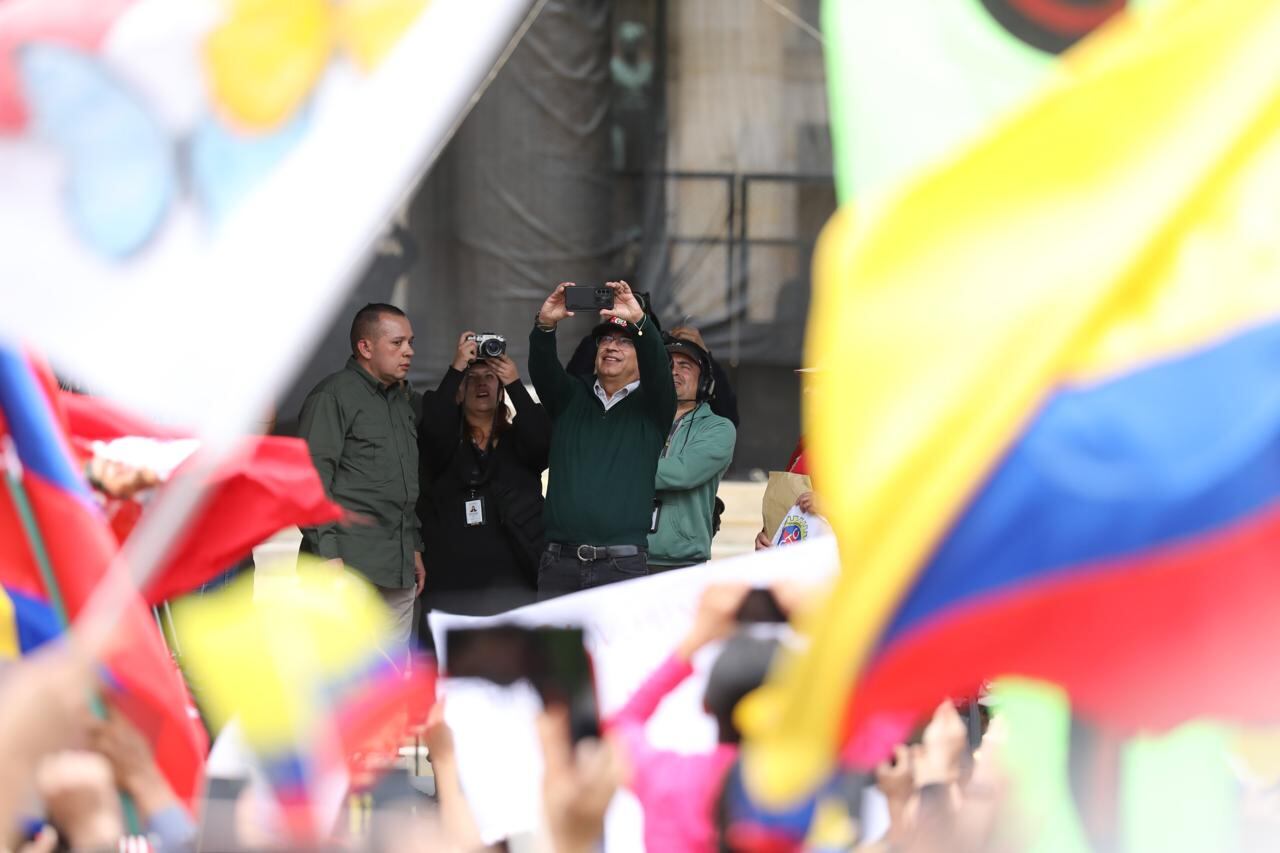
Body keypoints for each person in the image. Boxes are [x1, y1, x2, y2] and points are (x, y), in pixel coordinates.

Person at [528, 280, 676, 598]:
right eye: (606, 339)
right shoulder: (571, 397)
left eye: (624, 342)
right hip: (559, 564)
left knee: (616, 651)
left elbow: (659, 368)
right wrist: (545, 326)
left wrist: (641, 324)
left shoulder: (653, 406)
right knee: (556, 651)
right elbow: (541, 370)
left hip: (621, 567)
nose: (611, 346)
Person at [605, 583, 778, 853]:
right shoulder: (806, 788)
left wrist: (694, 640)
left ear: (706, 705)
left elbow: (618, 726)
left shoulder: (669, 779)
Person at [297, 302, 424, 647]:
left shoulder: (401, 400)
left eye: (410, 342)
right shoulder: (333, 395)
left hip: (396, 566)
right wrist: (327, 557)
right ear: (365, 347)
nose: (409, 352)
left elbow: (402, 485)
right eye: (397, 343)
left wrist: (413, 547)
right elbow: (310, 482)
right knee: (340, 684)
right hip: (346, 566)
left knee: (392, 683)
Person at [418, 331, 551, 616]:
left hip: (512, 573)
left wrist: (515, 382)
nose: (481, 383)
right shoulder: (444, 438)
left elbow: (542, 443)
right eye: (471, 378)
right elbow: (432, 429)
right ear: (459, 390)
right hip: (451, 575)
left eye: (489, 377)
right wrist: (455, 368)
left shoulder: (518, 439)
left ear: (499, 387)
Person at [648, 335, 736, 570]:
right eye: (668, 366)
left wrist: (618, 467)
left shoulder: (719, 428)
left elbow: (684, 472)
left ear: (705, 381)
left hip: (682, 562)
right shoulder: (637, 418)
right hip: (627, 555)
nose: (674, 372)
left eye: (684, 366)